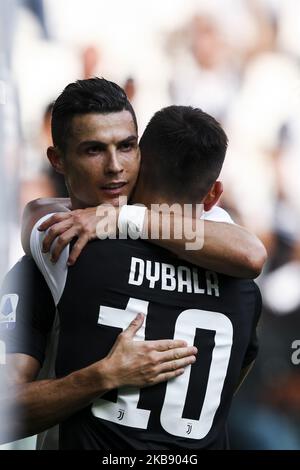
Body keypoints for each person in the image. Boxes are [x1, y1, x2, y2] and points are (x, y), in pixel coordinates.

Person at [0, 78, 265, 447]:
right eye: (94, 149)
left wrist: (119, 217)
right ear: (57, 160)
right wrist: (102, 377)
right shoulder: (231, 273)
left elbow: (253, 254)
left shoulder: (62, 252)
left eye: (126, 147)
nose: (114, 166)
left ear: (143, 153)